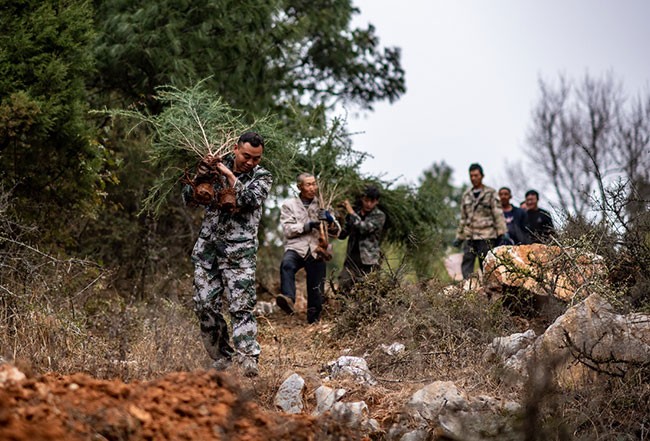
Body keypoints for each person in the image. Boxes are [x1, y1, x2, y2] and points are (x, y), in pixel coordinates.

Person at [182, 132, 272, 377]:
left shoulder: (262, 177)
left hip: (239, 254)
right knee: (204, 306)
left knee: (241, 306)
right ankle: (223, 358)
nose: (250, 162)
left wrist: (230, 176)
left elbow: (250, 199)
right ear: (235, 149)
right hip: (207, 252)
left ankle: (248, 360)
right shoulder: (213, 169)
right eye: (246, 156)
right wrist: (201, 176)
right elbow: (188, 198)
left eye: (256, 158)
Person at [277, 173, 340, 324]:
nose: (312, 188)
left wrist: (330, 220)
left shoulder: (323, 204)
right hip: (296, 247)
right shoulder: (289, 205)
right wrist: (307, 226)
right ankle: (288, 298)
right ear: (299, 187)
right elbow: (287, 230)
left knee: (316, 288)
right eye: (308, 185)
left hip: (317, 248)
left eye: (314, 184)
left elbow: (337, 232)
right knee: (287, 264)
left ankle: (313, 322)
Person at [453, 163, 508, 280]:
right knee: (467, 264)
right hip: (470, 236)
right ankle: (468, 290)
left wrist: (502, 233)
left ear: (482, 176)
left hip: (486, 235)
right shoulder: (466, 195)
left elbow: (498, 214)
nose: (473, 178)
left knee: (486, 265)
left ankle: (489, 291)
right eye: (471, 176)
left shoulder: (491, 193)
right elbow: (463, 217)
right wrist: (459, 236)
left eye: (476, 175)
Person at [338, 185, 386, 294]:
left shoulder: (379, 216)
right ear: (362, 199)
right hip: (351, 260)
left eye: (372, 201)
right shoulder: (356, 213)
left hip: (369, 262)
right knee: (343, 286)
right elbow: (342, 235)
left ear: (377, 202)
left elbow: (364, 228)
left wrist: (350, 212)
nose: (368, 204)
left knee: (367, 293)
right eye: (366, 200)